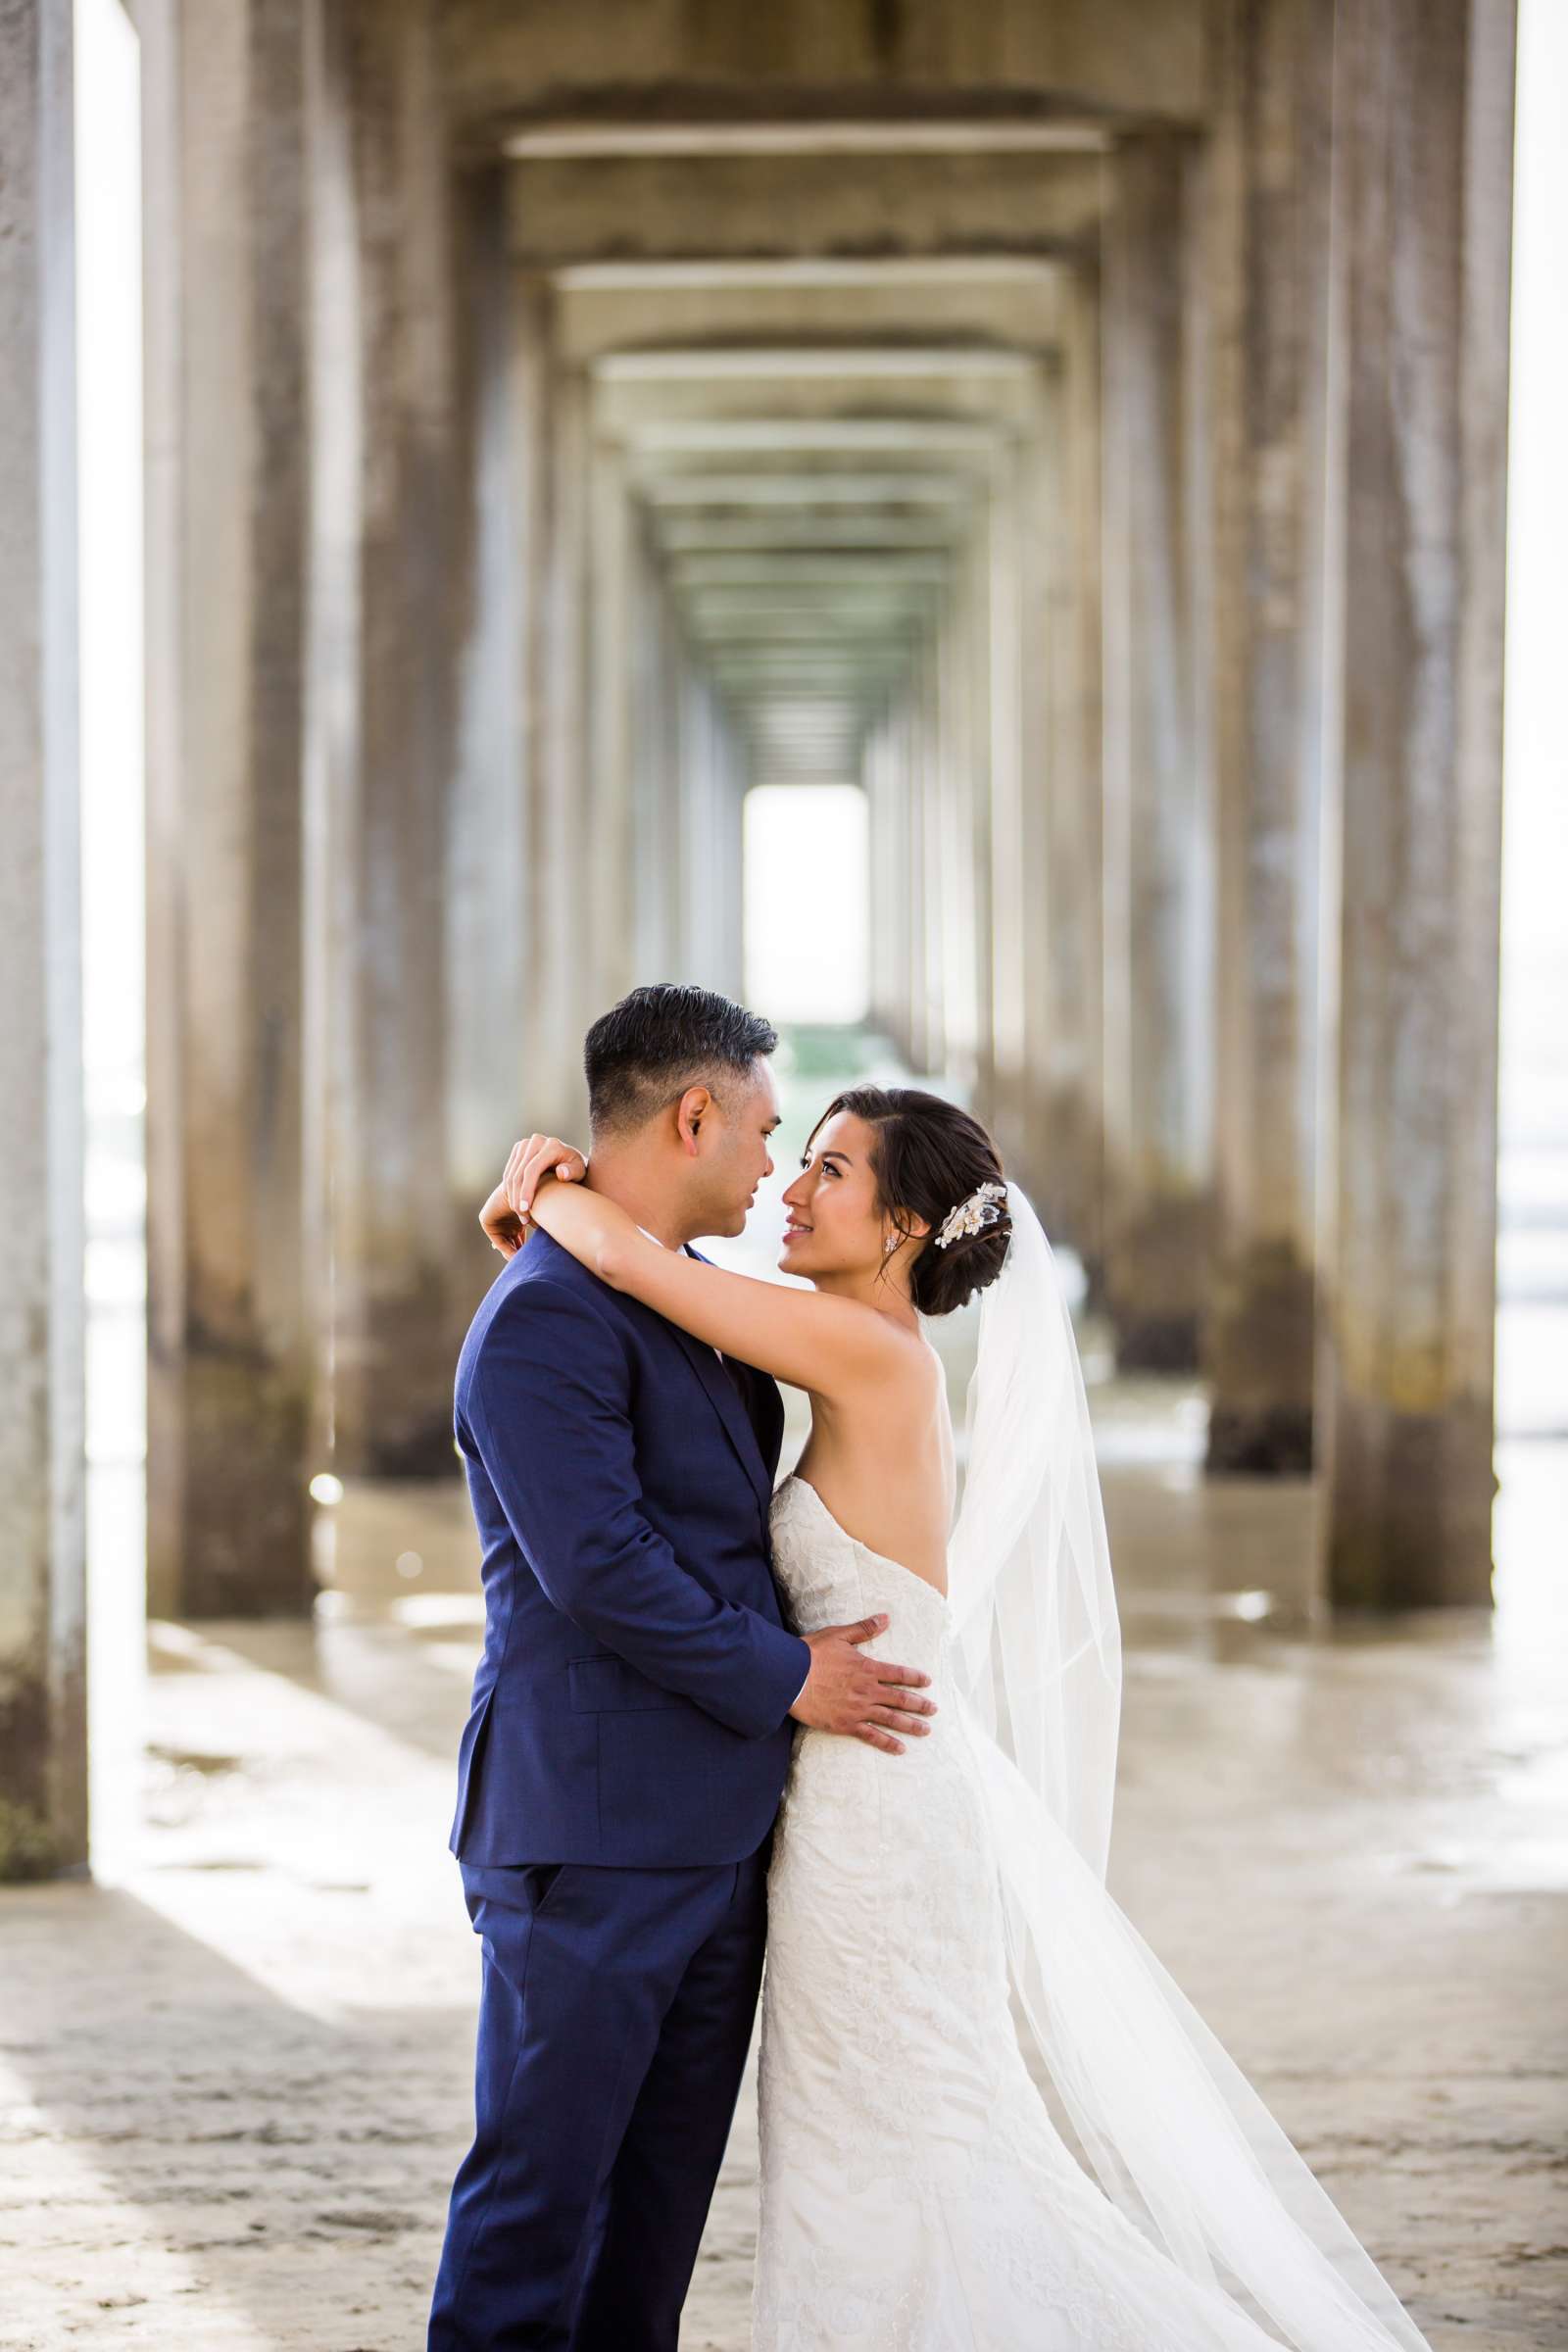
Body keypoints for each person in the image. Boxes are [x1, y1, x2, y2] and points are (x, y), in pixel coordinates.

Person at [484, 1059, 1441, 2352]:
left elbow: (642, 1267)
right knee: (868, 2137)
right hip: (852, 1790)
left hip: (873, 1812)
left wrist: (548, 1185)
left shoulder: (865, 1353)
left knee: (898, 2137)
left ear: (905, 1228)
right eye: (797, 1152)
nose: (793, 1185)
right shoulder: (844, 1347)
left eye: (830, 1169)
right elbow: (661, 1304)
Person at [427, 985, 937, 2352]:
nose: (774, 1168)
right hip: (588, 1842)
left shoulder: (696, 1307)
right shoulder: (544, 1318)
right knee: (535, 2214)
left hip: (718, 1849)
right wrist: (791, 1679)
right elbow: (601, 1569)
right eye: (767, 1135)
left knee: (648, 2243)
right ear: (693, 1115)